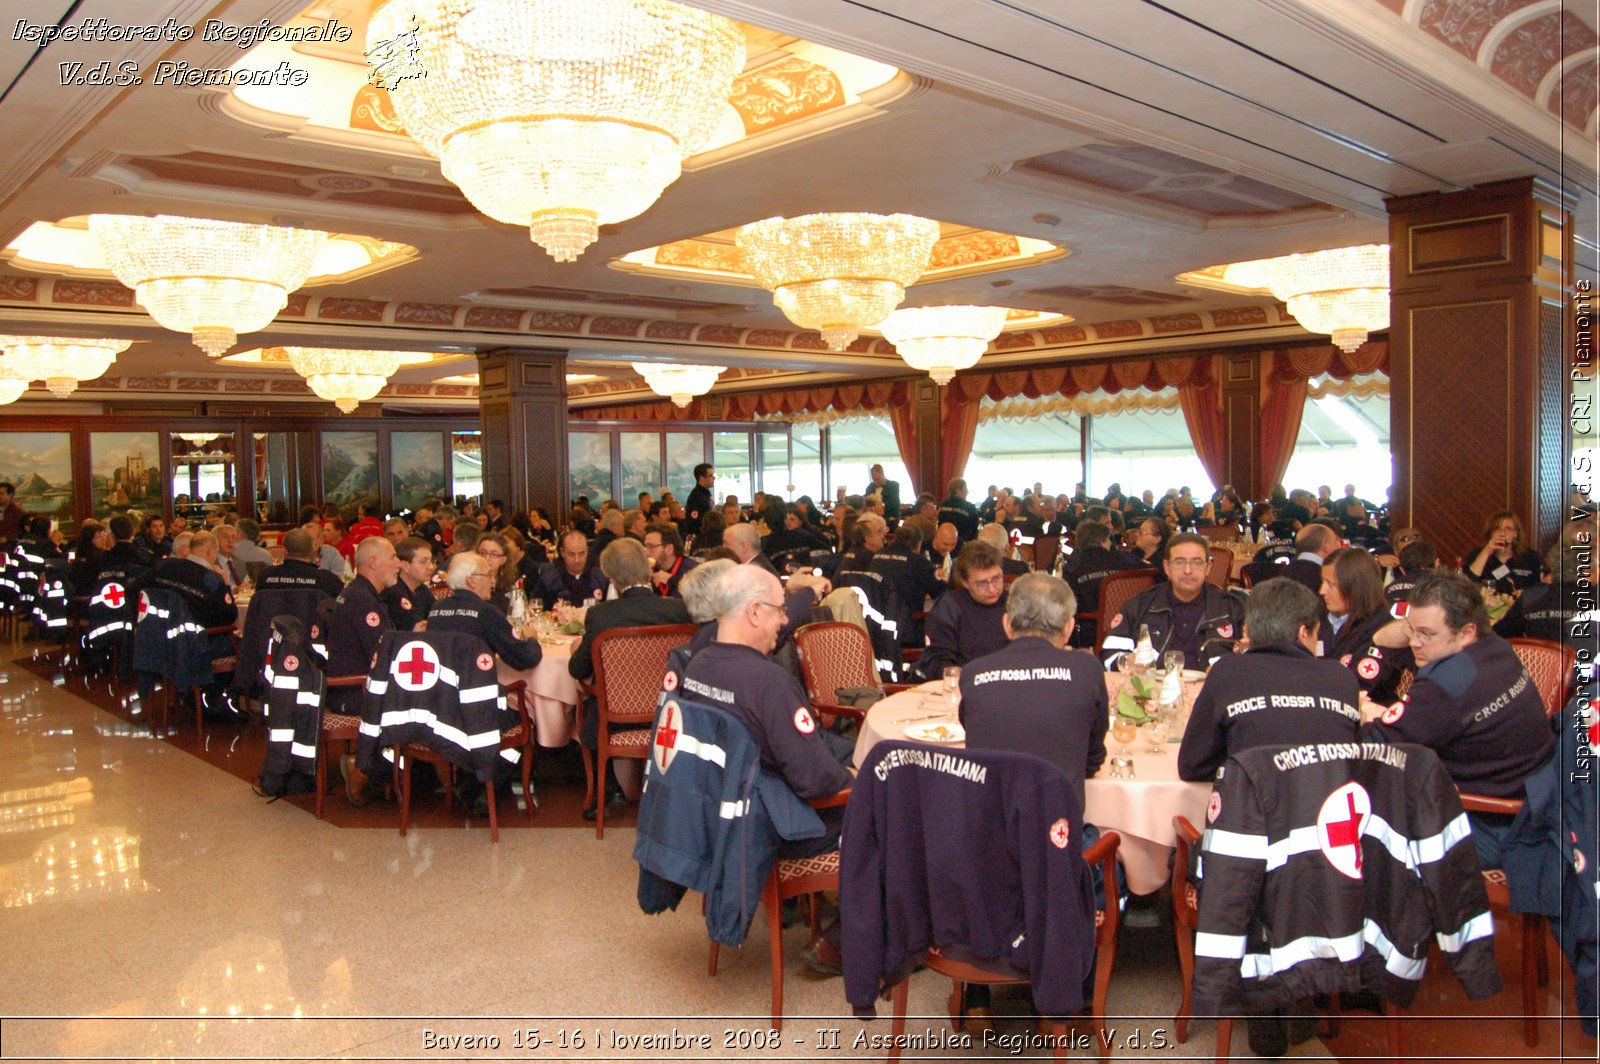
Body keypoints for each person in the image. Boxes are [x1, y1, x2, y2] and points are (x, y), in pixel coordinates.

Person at [680, 564, 852, 970]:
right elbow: (815, 781)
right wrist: (856, 781)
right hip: (774, 828)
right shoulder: (768, 682)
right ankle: (852, 941)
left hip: (721, 817)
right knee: (896, 806)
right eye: (778, 609)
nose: (785, 618)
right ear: (755, 612)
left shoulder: (698, 666)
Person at [1361, 570, 1555, 867]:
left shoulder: (1446, 684)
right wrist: (1416, 628)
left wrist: (1364, 713)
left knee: (1361, 819)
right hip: (1538, 803)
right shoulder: (1498, 648)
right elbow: (1382, 638)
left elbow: (1376, 744)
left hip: (1497, 825)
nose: (1414, 642)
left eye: (1426, 634)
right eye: (1411, 630)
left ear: (1466, 632)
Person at [1178, 578, 1362, 782]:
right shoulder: (1341, 678)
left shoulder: (1227, 672)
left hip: (1250, 809)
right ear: (1303, 633)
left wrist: (1241, 765)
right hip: (1327, 809)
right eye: (1316, 634)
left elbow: (1192, 766)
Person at [568, 539, 692, 819]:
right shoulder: (678, 610)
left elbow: (578, 670)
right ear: (647, 570)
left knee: (587, 705)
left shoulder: (601, 615)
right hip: (671, 712)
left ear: (610, 577)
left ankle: (607, 791)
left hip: (614, 716)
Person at [959, 573, 1107, 801]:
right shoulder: (1087, 670)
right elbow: (1093, 760)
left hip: (984, 828)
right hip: (1058, 827)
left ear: (1007, 624)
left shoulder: (972, 673)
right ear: (1068, 627)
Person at [1100, 533, 1246, 670]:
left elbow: (1257, 658)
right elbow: (1109, 653)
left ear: (1208, 567)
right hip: (1153, 690)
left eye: (1196, 563)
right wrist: (1126, 661)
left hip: (1214, 690)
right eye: (1179, 562)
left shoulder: (1232, 608)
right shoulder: (1141, 605)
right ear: (1167, 567)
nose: (1188, 570)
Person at [1319, 547, 1409, 703]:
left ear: (1355, 586)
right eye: (1322, 582)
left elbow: (1362, 685)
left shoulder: (1382, 630)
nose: (1322, 590)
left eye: (1330, 584)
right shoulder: (1317, 621)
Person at [324, 537, 401, 712]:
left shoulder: (358, 592)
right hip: (357, 692)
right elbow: (381, 654)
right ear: (373, 562)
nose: (399, 564)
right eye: (392, 557)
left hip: (354, 688)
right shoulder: (362, 600)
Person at [914, 540, 1010, 680]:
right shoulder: (950, 606)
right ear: (965, 582)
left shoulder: (1014, 603)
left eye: (996, 579)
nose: (992, 588)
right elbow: (937, 659)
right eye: (982, 583)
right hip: (967, 684)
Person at [427, 552, 540, 671]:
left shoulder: (436, 608)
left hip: (441, 685)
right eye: (488, 575)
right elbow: (523, 658)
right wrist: (532, 640)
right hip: (475, 684)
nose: (492, 581)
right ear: (471, 581)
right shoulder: (486, 612)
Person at [1063, 520, 1137, 649]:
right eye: (1108, 539)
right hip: (1129, 625)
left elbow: (1070, 603)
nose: (1110, 543)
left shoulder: (1073, 567)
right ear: (1101, 541)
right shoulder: (1125, 561)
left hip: (1091, 630)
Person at [1464, 510, 1542, 593]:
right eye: (1497, 529)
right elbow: (1468, 582)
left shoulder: (1530, 557)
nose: (1502, 533)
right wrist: (1487, 551)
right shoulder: (1478, 554)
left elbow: (1540, 587)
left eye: (1507, 529)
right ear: (1491, 533)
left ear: (1515, 533)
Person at [257, 528, 346, 598]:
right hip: (312, 621)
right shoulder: (327, 580)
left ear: (284, 551)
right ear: (311, 550)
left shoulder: (265, 577)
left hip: (274, 620)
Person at [537, 530, 608, 608]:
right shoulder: (549, 580)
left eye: (582, 553)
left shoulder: (600, 578)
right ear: (562, 552)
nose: (577, 560)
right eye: (571, 554)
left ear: (587, 551)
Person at [381, 536, 436, 631]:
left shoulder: (422, 590)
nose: (430, 567)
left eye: (431, 561)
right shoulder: (394, 594)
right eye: (423, 562)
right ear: (405, 566)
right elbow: (416, 629)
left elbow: (436, 616)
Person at [643, 521, 696, 597]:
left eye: (651, 547)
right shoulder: (650, 570)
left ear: (669, 549)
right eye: (646, 547)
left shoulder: (692, 571)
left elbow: (697, 599)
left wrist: (672, 581)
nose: (647, 552)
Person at [937, 477, 980, 543]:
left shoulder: (942, 505)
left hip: (944, 542)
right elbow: (974, 531)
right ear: (957, 491)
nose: (967, 492)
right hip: (963, 545)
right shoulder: (969, 508)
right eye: (965, 489)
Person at [684, 463, 715, 538]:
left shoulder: (705, 494)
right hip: (702, 537)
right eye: (710, 476)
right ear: (701, 478)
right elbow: (695, 523)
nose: (714, 478)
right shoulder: (696, 497)